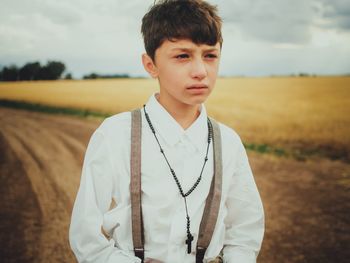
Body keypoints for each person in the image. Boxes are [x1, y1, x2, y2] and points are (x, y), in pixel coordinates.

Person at [69, 0, 265, 262]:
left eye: (210, 55)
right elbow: (86, 238)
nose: (200, 71)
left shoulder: (227, 142)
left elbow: (245, 231)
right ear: (150, 65)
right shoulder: (115, 135)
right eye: (182, 56)